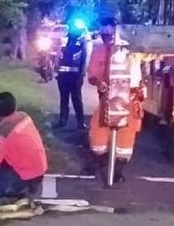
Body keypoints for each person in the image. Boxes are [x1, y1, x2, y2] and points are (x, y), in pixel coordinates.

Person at [87, 17, 144, 184]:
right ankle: (102, 159)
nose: (106, 39)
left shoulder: (133, 48)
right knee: (97, 133)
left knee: (126, 138)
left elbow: (154, 50)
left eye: (109, 35)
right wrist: (99, 82)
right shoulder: (98, 48)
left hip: (131, 98)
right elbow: (92, 74)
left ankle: (118, 169)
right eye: (103, 35)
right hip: (107, 98)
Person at [0, 92, 49, 200]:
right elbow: (3, 145)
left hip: (26, 176)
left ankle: (20, 193)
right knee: (3, 167)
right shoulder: (24, 117)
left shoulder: (3, 134)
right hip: (39, 168)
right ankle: (26, 189)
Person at [56, 22, 89, 130]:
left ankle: (80, 122)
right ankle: (62, 120)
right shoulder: (64, 40)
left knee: (77, 99)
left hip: (76, 75)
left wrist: (82, 74)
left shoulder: (83, 42)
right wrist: (56, 70)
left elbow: (84, 59)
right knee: (64, 99)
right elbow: (58, 54)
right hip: (63, 75)